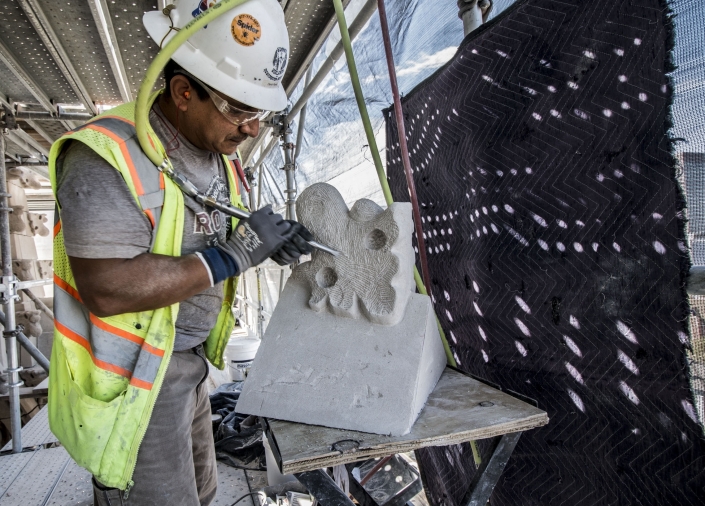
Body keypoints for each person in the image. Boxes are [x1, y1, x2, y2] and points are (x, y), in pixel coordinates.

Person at [46, 1, 305, 504]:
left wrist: (267, 242)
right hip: (133, 383)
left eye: (260, 113)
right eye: (241, 110)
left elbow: (213, 231)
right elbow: (106, 288)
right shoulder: (107, 155)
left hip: (187, 368)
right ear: (185, 92)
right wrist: (231, 257)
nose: (252, 129)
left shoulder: (218, 155)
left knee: (202, 494)